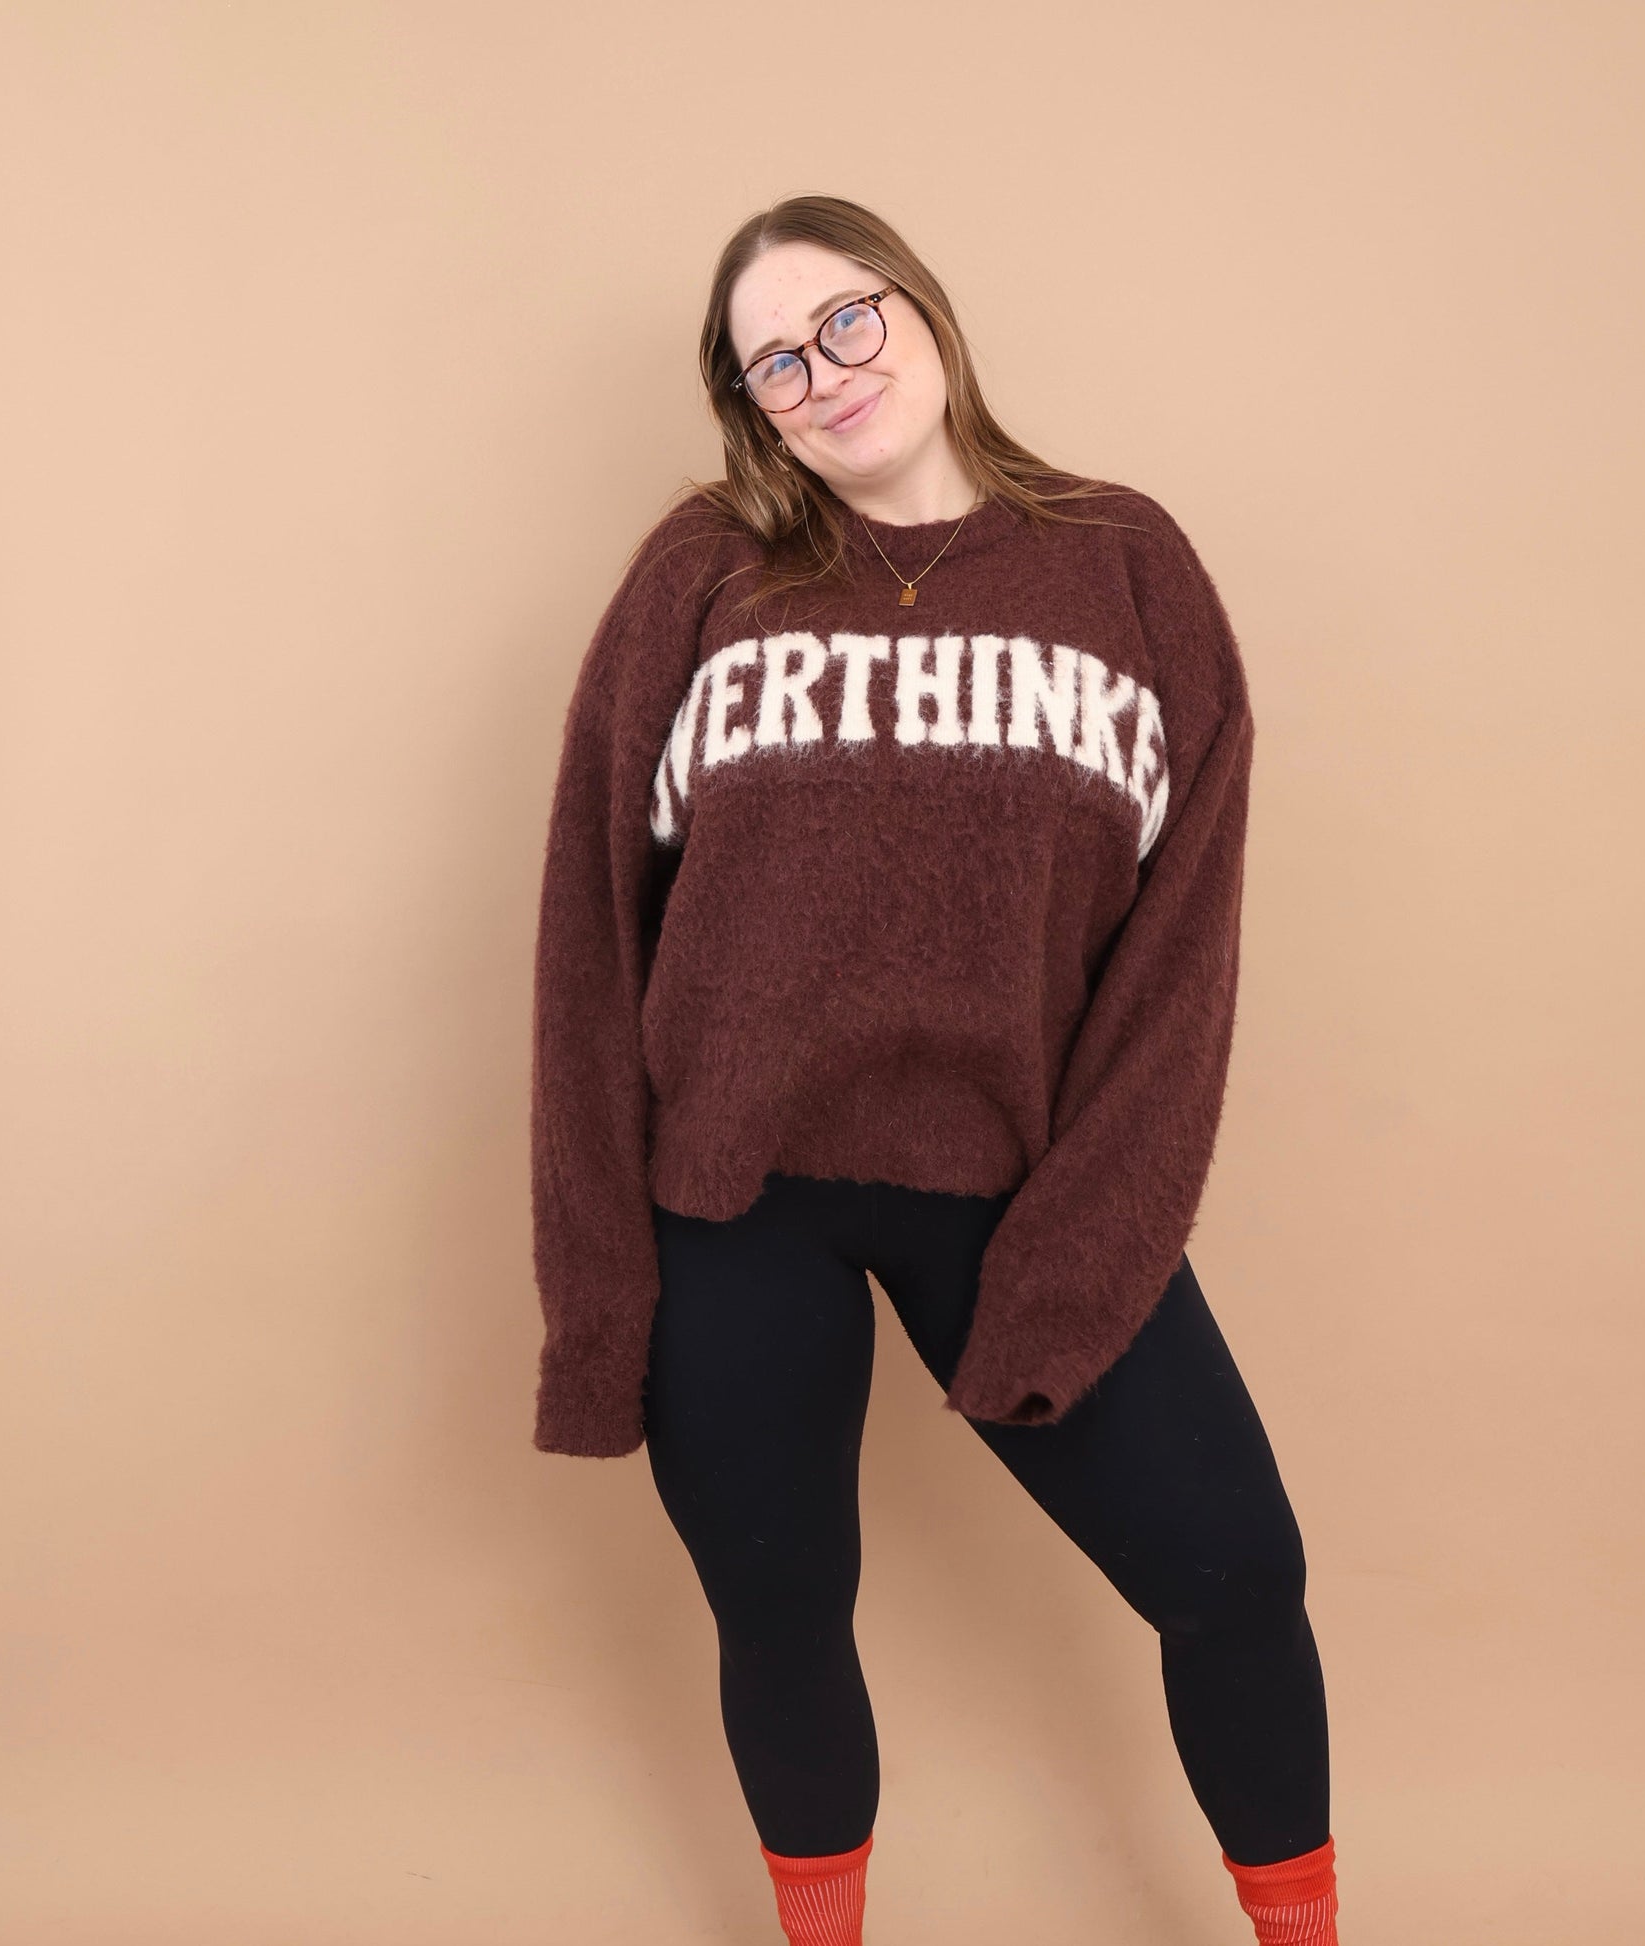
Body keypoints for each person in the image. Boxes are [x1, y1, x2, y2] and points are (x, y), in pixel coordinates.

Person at [528, 193, 1341, 1946]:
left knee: (1234, 1573)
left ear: (925, 309)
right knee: (782, 1602)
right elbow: (593, 937)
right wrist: (600, 1287)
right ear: (749, 408)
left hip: (1017, 1184)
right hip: (732, 1201)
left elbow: (1178, 951)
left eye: (845, 320)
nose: (822, 376)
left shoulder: (1126, 564)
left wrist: (1077, 1250)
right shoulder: (702, 575)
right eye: (770, 363)